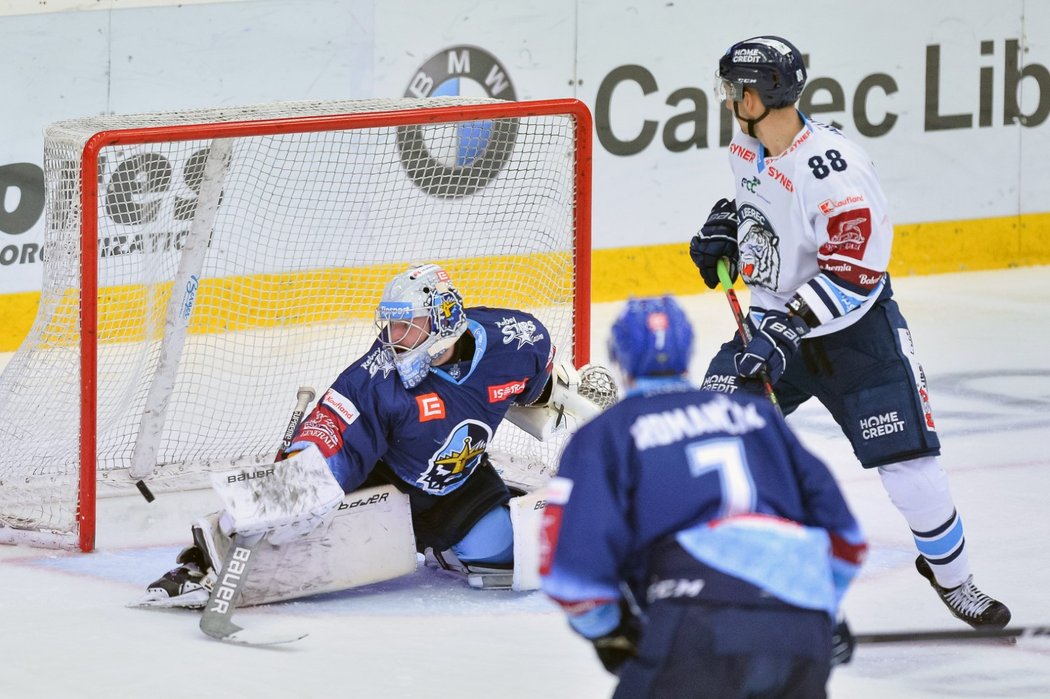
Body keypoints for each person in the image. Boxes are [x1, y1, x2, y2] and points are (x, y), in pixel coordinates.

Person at [689, 35, 1009, 629]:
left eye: (739, 88)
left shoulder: (834, 170)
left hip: (858, 339)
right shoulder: (747, 143)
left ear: (770, 92)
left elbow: (856, 273)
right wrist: (725, 230)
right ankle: (707, 573)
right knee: (708, 430)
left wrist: (788, 325)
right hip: (770, 326)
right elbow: (763, 212)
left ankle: (955, 579)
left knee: (912, 470)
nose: (730, 97)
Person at [141, 263, 612, 606]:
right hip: (384, 482)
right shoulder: (375, 379)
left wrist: (579, 400)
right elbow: (329, 440)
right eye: (391, 325)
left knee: (513, 560)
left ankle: (457, 541)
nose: (395, 337)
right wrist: (297, 471)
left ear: (446, 321)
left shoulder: (518, 340)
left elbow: (539, 394)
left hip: (460, 482)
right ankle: (200, 560)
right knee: (300, 504)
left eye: (409, 327)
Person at [540, 295, 868, 699]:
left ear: (618, 357)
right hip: (800, 631)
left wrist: (613, 634)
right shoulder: (759, 416)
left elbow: (571, 577)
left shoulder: (606, 435)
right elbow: (847, 539)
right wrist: (822, 608)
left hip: (694, 626)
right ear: (687, 351)